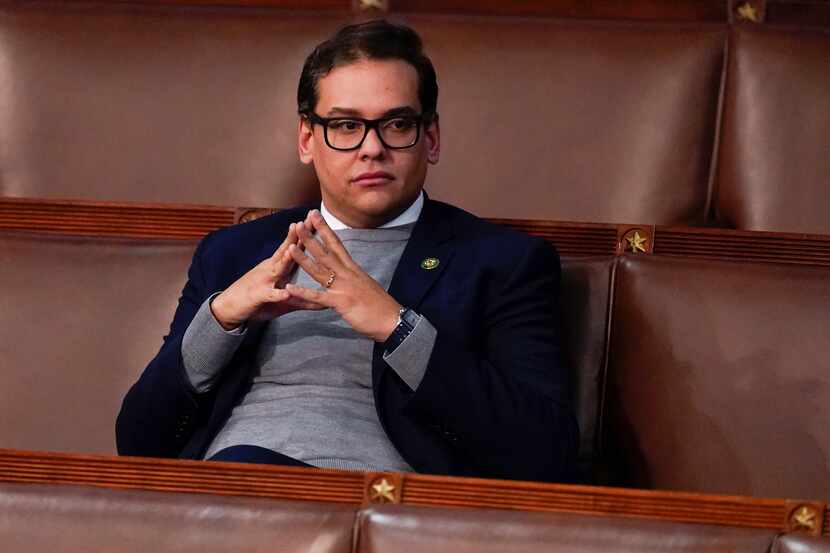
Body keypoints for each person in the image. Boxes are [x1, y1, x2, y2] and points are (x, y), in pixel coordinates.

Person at [116, 19, 578, 483]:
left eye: (397, 124)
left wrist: (397, 328)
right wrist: (219, 322)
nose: (372, 148)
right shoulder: (234, 253)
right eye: (346, 125)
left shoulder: (503, 263)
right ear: (306, 139)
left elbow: (544, 451)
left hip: (379, 509)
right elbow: (138, 442)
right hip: (224, 493)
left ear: (431, 138)